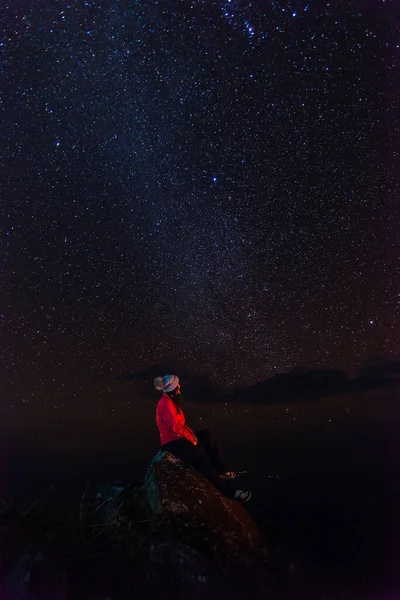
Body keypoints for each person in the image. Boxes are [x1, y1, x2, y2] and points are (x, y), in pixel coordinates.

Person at [154, 374, 252, 503]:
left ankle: (220, 469)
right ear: (174, 388)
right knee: (200, 460)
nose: (180, 387)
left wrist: (192, 436)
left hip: (178, 437)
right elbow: (176, 427)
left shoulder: (171, 401)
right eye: (178, 385)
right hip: (173, 442)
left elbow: (181, 426)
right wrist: (191, 438)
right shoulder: (166, 403)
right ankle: (229, 492)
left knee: (206, 435)